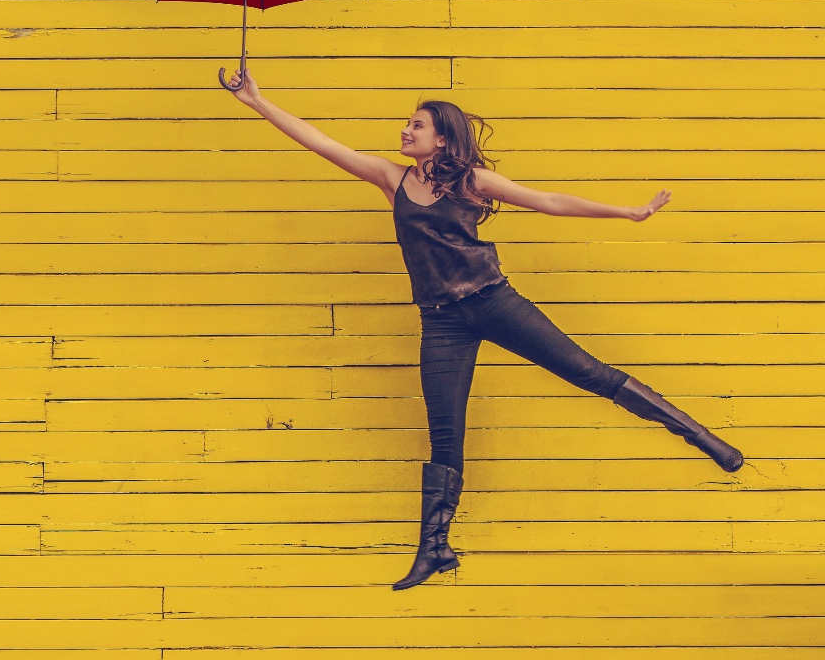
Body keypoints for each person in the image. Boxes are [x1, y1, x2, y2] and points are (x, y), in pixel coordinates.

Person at [226, 69, 744, 591]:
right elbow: (319, 141)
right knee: (445, 435)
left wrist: (628, 212)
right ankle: (435, 549)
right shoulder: (392, 178)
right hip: (441, 320)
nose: (405, 131)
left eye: (416, 125)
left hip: (493, 302)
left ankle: (702, 437)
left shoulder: (471, 180)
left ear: (442, 138)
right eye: (408, 124)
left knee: (588, 372)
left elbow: (548, 201)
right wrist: (256, 101)